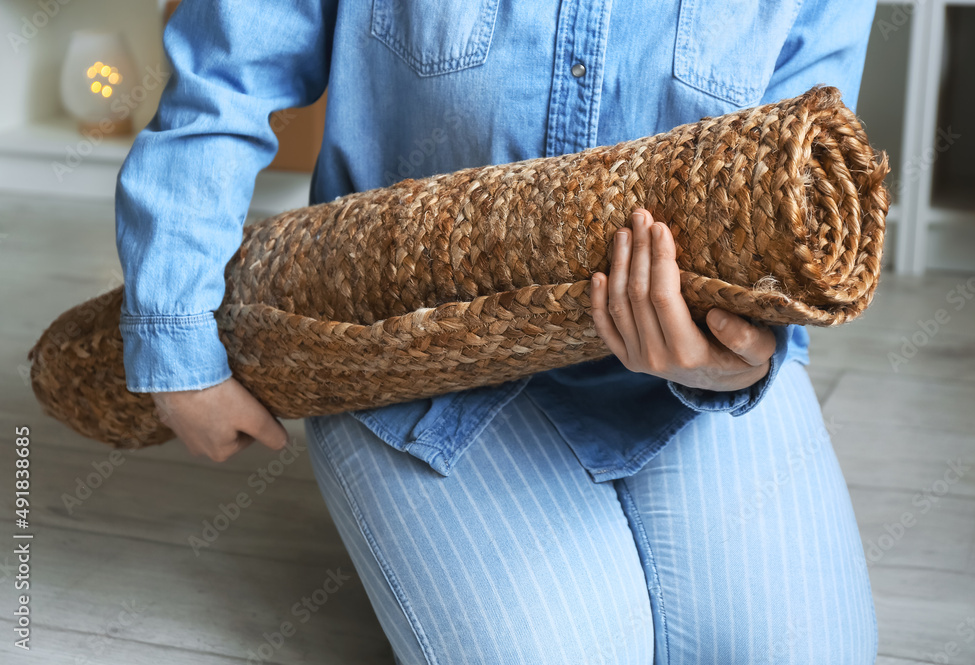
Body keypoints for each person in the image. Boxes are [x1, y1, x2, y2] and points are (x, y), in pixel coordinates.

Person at [115, 1, 880, 663]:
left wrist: (737, 365)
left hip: (690, 376)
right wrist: (176, 342)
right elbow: (224, 82)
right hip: (407, 354)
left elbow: (795, 208)